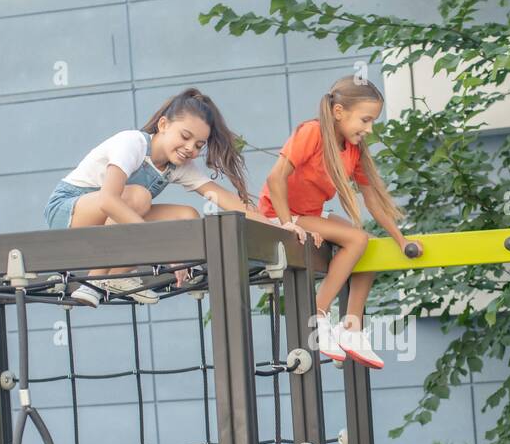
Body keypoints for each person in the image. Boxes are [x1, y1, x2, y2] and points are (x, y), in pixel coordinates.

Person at [45, 88, 272, 305]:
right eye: (185, 136)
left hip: (108, 224)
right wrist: (163, 251)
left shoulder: (178, 166)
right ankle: (92, 282)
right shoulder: (133, 143)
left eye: (198, 145)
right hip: (71, 210)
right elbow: (107, 200)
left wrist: (277, 226)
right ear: (163, 125)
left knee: (186, 216)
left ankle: (115, 275)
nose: (189, 148)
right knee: (139, 197)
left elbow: (225, 199)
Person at [259, 76, 419, 367]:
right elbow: (275, 178)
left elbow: (373, 200)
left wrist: (400, 239)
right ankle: (318, 315)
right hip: (280, 214)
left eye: (373, 122)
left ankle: (351, 328)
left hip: (310, 215)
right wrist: (286, 223)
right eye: (365, 120)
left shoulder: (352, 149)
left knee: (368, 245)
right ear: (339, 112)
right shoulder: (312, 133)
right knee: (356, 239)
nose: (369, 129)